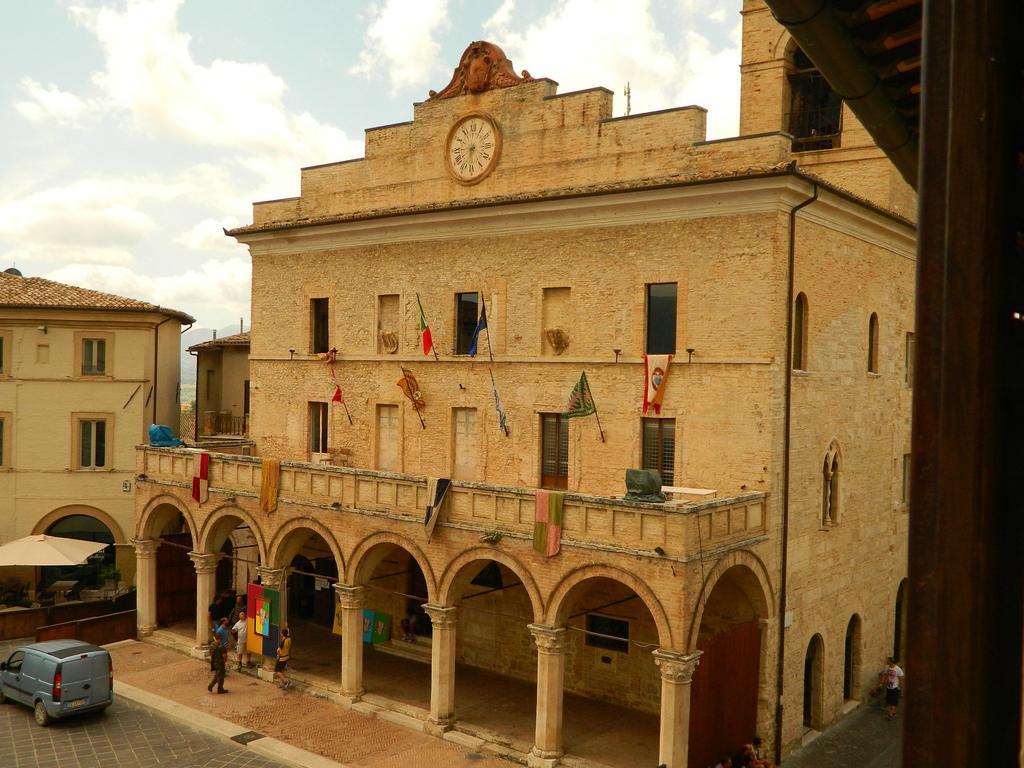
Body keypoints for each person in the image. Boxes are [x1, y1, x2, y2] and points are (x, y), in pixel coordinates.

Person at [207, 630, 228, 694]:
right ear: (219, 639)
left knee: (217, 675)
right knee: (221, 676)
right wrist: (225, 661)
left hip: (214, 662)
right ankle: (220, 689)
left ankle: (211, 685)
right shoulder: (221, 647)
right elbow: (224, 656)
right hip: (220, 663)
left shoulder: (212, 645)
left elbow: (210, 652)